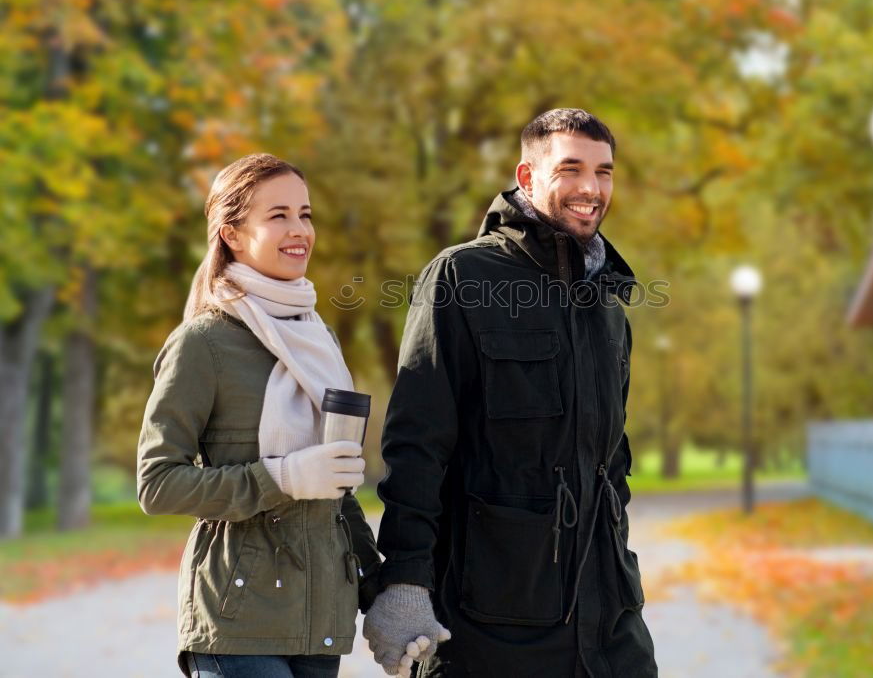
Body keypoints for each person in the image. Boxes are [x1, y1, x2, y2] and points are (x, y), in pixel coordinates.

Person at [363, 110, 657, 676]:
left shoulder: (610, 307)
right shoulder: (461, 278)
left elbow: (610, 459)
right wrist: (403, 580)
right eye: (570, 169)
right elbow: (416, 443)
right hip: (490, 618)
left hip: (610, 621)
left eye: (604, 172)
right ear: (526, 177)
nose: (590, 189)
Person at [137, 153, 387, 677]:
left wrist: (378, 594)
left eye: (305, 214)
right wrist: (283, 477)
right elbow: (157, 484)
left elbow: (335, 492)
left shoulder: (319, 340)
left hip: (322, 621)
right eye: (278, 216)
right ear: (231, 233)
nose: (299, 230)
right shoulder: (203, 343)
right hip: (239, 618)